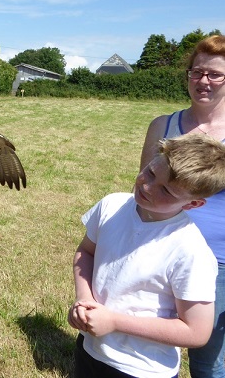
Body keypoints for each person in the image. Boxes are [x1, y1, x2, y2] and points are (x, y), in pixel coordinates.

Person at [68, 133, 225, 378]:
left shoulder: (190, 252)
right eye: (151, 172)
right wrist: (83, 298)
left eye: (166, 191)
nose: (147, 187)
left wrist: (115, 322)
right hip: (90, 350)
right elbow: (86, 251)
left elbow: (196, 332)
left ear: (193, 204)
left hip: (142, 368)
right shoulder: (112, 205)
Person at [140, 34, 225, 378]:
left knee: (208, 360)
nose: (203, 81)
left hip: (219, 262)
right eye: (197, 72)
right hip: (164, 254)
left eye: (215, 74)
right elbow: (144, 189)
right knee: (153, 348)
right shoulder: (162, 125)